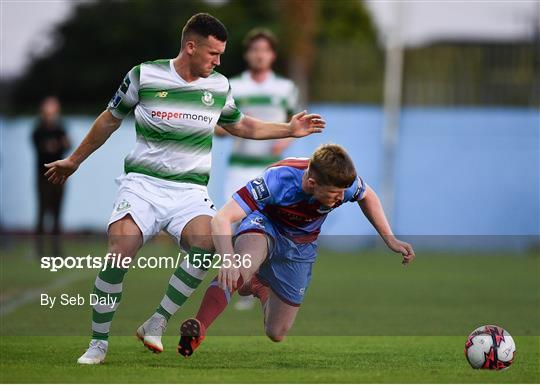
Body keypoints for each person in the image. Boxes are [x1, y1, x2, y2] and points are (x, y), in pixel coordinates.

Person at [44, 13, 325, 365]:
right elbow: (109, 120)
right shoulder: (144, 75)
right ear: (190, 47)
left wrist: (289, 129)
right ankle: (98, 343)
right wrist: (75, 160)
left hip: (189, 191)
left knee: (206, 244)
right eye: (212, 54)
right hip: (143, 185)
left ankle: (157, 321)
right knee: (121, 248)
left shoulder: (219, 86)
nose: (218, 61)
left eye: (221, 55)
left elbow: (242, 125)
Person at [176, 144, 415, 357]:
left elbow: (367, 195)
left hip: (301, 245)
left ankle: (260, 286)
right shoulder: (277, 180)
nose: (342, 197)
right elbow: (222, 218)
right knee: (241, 267)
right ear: (312, 183)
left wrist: (390, 239)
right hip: (264, 225)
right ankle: (199, 327)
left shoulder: (343, 183)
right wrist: (228, 260)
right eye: (335, 194)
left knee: (276, 332)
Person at [215, 28, 299, 311]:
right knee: (236, 224)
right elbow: (219, 123)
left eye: (264, 50)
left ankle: (261, 281)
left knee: (269, 226)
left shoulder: (285, 88)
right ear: (247, 54)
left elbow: (294, 123)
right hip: (240, 167)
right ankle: (243, 284)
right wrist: (221, 130)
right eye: (254, 50)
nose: (259, 55)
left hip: (271, 170)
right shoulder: (233, 85)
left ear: (272, 55)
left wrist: (284, 140)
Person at [32, 96, 70, 257]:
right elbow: (43, 148)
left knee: (57, 213)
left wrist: (58, 145)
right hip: (43, 177)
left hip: (59, 177)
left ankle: (56, 250)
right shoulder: (38, 130)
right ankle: (39, 250)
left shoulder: (61, 128)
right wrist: (56, 145)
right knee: (42, 212)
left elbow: (66, 145)